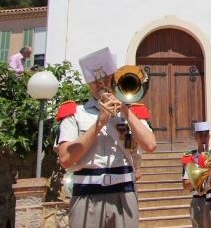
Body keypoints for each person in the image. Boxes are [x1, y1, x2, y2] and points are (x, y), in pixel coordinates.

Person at [56, 48, 157, 228]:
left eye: (107, 79)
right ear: (88, 83)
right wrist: (99, 123)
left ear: (115, 80)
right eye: (95, 81)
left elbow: (150, 145)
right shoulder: (75, 114)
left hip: (123, 192)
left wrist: (125, 110)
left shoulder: (133, 113)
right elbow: (65, 159)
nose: (101, 84)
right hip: (87, 193)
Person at [183, 122, 211, 228]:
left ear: (209, 137)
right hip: (198, 199)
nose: (203, 139)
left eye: (205, 136)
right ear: (196, 137)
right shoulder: (190, 157)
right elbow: (186, 185)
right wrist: (198, 178)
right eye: (200, 136)